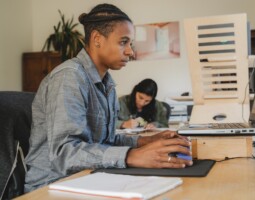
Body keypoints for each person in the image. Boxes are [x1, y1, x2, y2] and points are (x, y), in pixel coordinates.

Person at [24, 3, 192, 192]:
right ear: (97, 38)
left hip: (88, 176)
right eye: (123, 42)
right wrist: (131, 155)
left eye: (131, 44)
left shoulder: (107, 84)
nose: (130, 51)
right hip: (51, 185)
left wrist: (145, 142)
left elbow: (105, 142)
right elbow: (65, 154)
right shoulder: (69, 77)